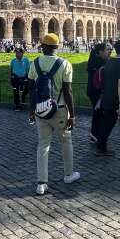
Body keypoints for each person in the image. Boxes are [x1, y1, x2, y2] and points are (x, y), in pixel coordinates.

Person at [28, 33, 80, 195]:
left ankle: (41, 183)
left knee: (43, 145)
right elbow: (68, 91)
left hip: (40, 110)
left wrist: (31, 110)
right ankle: (68, 174)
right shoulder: (65, 64)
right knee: (66, 141)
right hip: (60, 109)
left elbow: (31, 90)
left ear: (43, 47)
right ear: (57, 47)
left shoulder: (34, 63)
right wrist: (72, 114)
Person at [86, 43, 110, 142]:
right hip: (97, 91)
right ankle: (95, 134)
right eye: (106, 50)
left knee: (98, 112)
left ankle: (96, 133)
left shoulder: (94, 60)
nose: (108, 52)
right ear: (100, 52)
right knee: (98, 113)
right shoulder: (100, 62)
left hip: (93, 91)